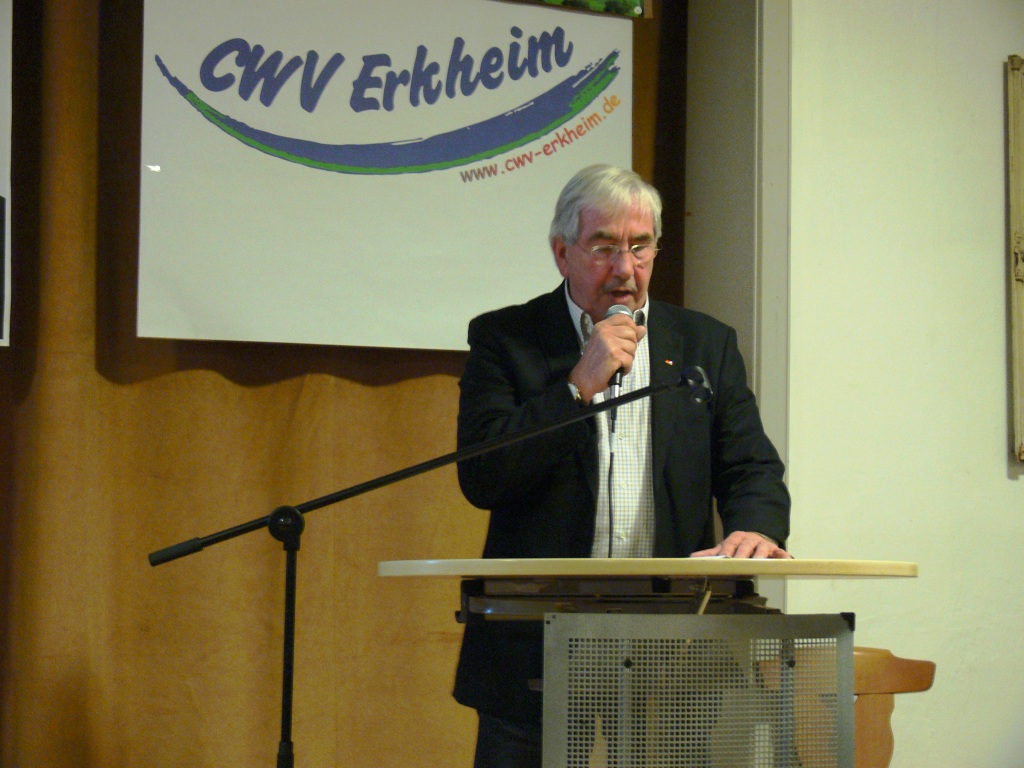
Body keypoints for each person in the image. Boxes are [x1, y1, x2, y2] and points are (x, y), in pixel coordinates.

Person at [453, 164, 791, 768]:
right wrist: (577, 386)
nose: (625, 269)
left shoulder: (705, 344)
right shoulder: (506, 338)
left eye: (640, 247)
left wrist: (755, 528)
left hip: (672, 643)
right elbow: (483, 475)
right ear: (563, 253)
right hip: (537, 642)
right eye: (604, 247)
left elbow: (751, 467)